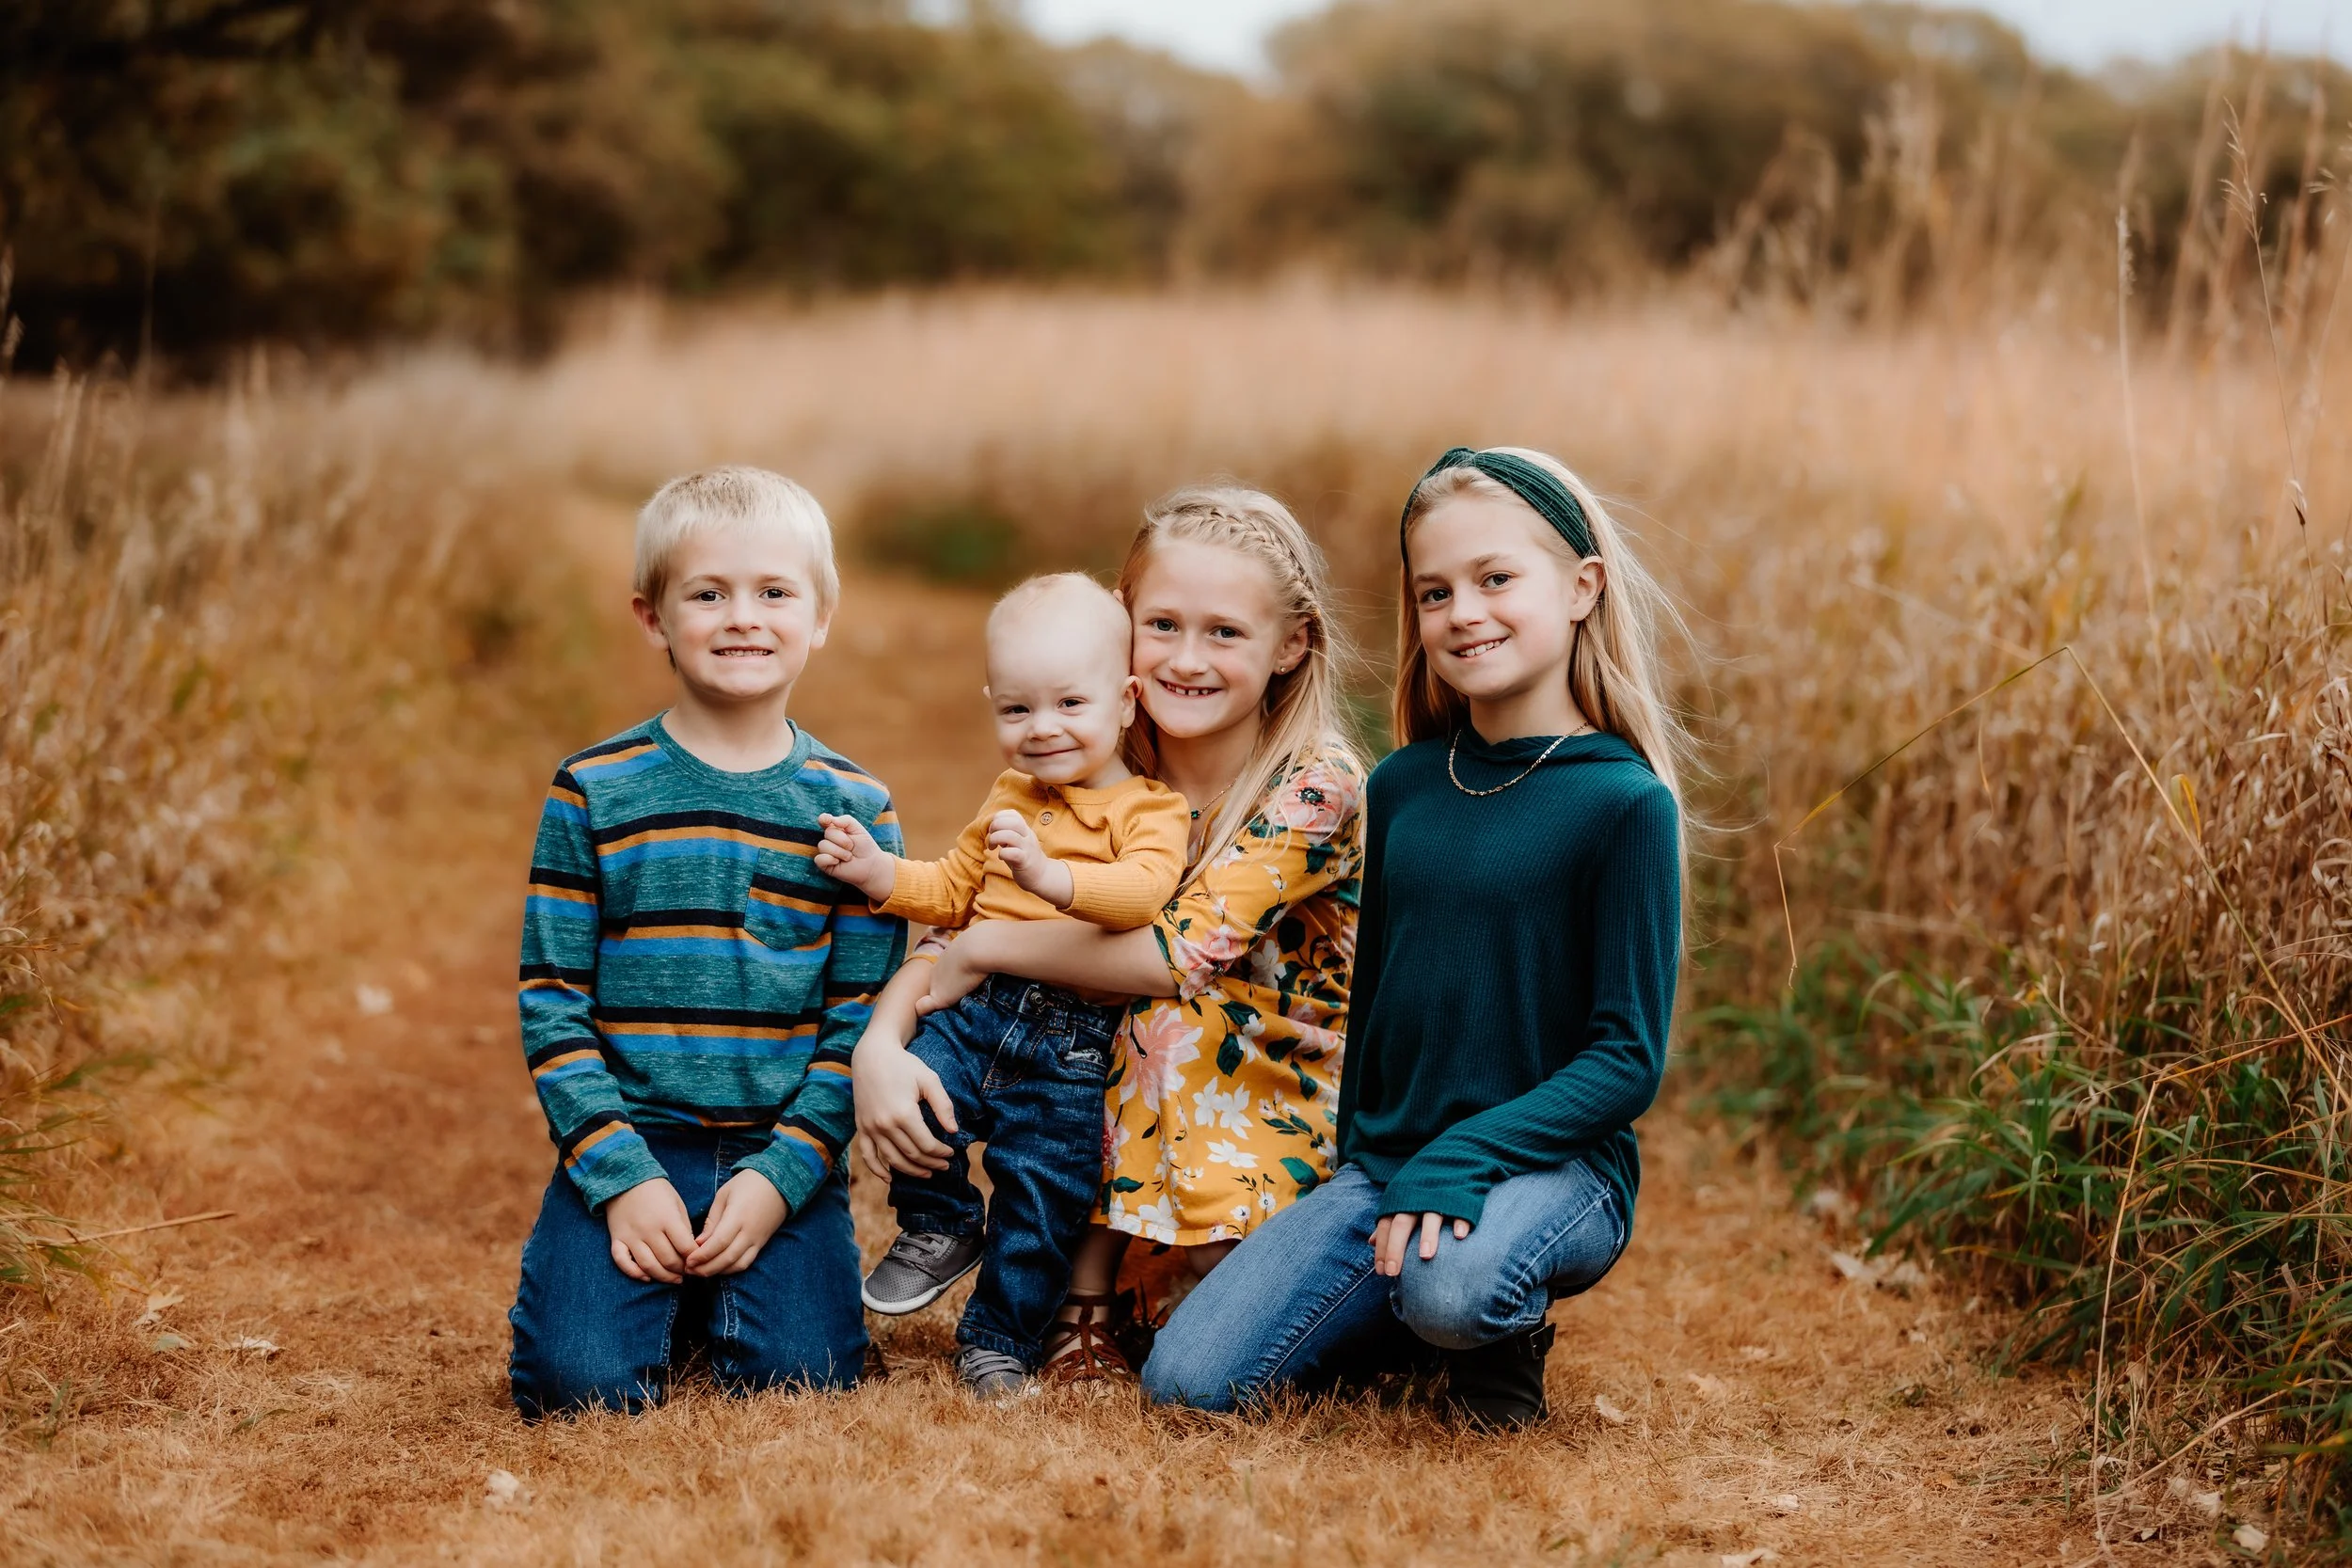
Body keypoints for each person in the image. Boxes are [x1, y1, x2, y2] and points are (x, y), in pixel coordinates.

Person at [1140, 446, 1689, 1429]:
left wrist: (1468, 1152)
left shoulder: (1623, 803)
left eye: (1494, 579)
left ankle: (1490, 1333)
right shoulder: (1403, 786)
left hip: (1552, 1166)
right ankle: (1400, 1310)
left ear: (1580, 586)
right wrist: (1365, 1163)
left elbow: (1625, 1060)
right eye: (1434, 592)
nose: (1462, 612)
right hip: (1392, 1166)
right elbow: (1378, 1005)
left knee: (1452, 1289)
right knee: (1189, 1380)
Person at [872, 488, 1365, 1383]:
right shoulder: (1091, 749)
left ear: (1291, 644)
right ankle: (1083, 1297)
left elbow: (1170, 958)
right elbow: (975, 893)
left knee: (1157, 1022)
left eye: (1224, 632)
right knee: (1109, 1038)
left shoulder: (1310, 785)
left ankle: (1361, 1302)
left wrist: (982, 951)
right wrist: (881, 1038)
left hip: (1263, 1081)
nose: (1187, 657)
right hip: (1113, 1098)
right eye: (1162, 624)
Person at [506, 466, 905, 1418]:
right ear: (652, 617)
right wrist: (619, 1172)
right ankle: (644, 1261)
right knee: (579, 1386)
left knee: (800, 1381)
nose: (743, 617)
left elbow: (857, 1022)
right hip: (632, 1139)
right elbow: (552, 998)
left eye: (775, 592)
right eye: (708, 593)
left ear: (820, 615)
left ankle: (715, 1276)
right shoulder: (594, 789)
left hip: (778, 1152)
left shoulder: (855, 808)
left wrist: (782, 1177)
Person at [815, 573, 1189, 1399]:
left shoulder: (1151, 809)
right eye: (1017, 710)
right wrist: (878, 871)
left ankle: (997, 1341)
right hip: (977, 1012)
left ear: (1126, 701)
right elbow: (953, 887)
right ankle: (940, 1221)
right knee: (916, 1103)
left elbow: (1143, 896)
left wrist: (1055, 879)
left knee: (1042, 1198)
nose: (1042, 728)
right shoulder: (1011, 796)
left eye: (1069, 704)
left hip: (1070, 1041)